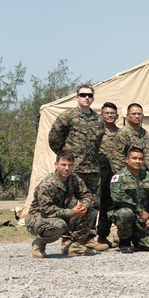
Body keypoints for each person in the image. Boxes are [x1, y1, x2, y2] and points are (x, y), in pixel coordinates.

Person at [48, 84, 104, 245]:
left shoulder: (98, 119)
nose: (87, 98)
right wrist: (65, 159)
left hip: (92, 169)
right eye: (83, 95)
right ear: (76, 97)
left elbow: (98, 142)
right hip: (73, 170)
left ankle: (88, 237)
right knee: (71, 204)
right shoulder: (68, 116)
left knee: (92, 203)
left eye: (90, 95)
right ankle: (67, 238)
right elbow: (54, 139)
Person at [26, 150, 101, 258]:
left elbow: (87, 195)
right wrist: (72, 212)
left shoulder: (74, 179)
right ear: (56, 165)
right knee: (59, 225)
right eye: (63, 165)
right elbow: (47, 210)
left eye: (70, 165)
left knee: (90, 211)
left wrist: (84, 206)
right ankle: (39, 244)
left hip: (61, 214)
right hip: (39, 218)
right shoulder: (47, 184)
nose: (67, 168)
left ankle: (75, 246)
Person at [109, 146, 149, 252]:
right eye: (134, 158)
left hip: (143, 219)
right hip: (124, 215)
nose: (137, 161)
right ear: (127, 159)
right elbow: (119, 198)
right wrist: (140, 211)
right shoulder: (118, 177)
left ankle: (135, 236)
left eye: (140, 159)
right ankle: (124, 240)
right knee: (125, 213)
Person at [95, 102, 120, 247]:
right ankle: (87, 236)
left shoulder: (121, 133)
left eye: (112, 113)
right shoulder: (96, 132)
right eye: (106, 113)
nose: (109, 115)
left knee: (110, 204)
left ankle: (103, 235)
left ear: (117, 116)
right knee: (94, 204)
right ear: (102, 115)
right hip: (98, 172)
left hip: (116, 173)